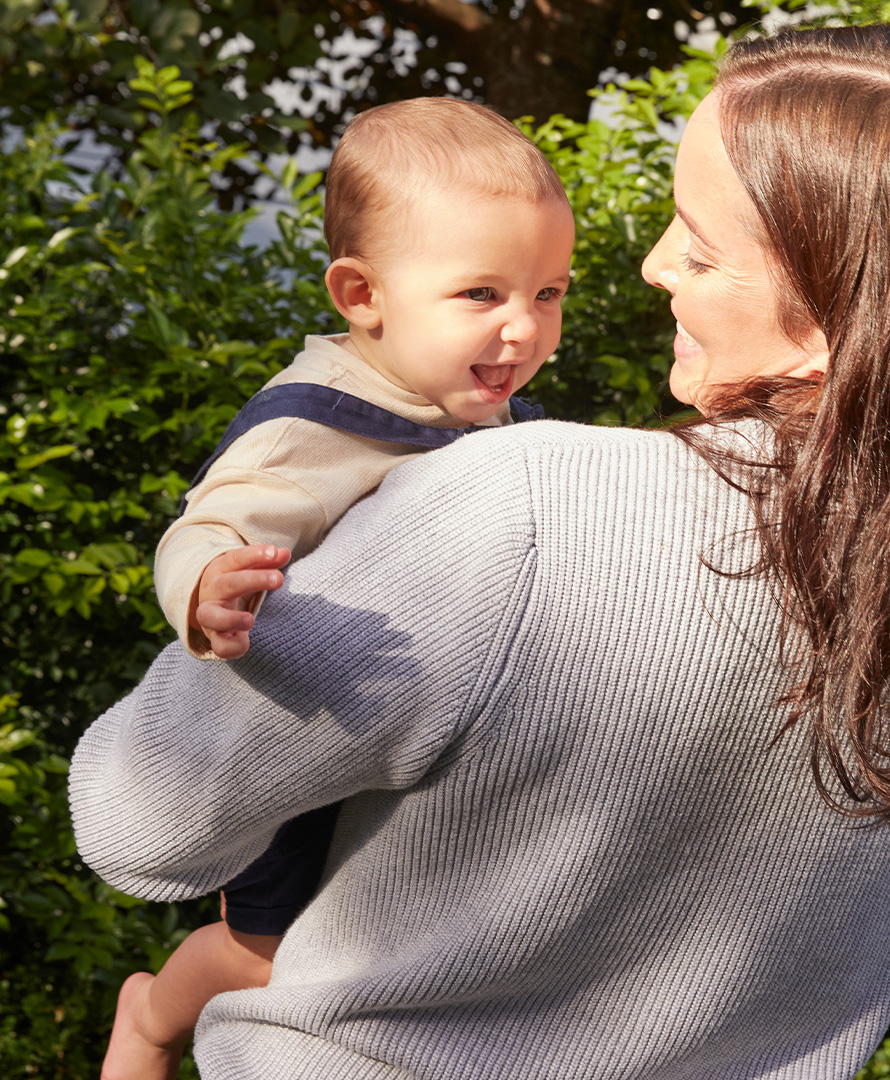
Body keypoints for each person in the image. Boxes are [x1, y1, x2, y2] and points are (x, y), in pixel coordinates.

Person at [70, 24, 890, 1080]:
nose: (650, 268)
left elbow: (140, 823)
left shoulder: (522, 510)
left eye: (697, 244)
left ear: (830, 323)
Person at [98, 96, 574, 1080]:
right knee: (266, 958)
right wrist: (208, 591)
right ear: (363, 296)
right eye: (481, 294)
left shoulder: (482, 404)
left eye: (550, 293)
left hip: (409, 733)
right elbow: (207, 527)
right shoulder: (313, 424)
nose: (522, 329)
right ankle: (150, 1017)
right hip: (293, 737)